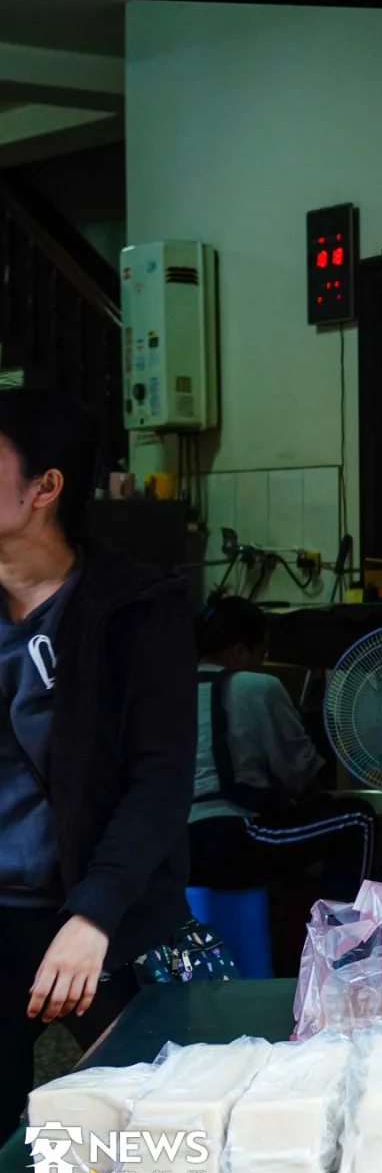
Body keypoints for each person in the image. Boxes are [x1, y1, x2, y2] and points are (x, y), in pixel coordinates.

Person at [0, 389, 195, 1123]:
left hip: (103, 916)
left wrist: (94, 916)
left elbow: (160, 779)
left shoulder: (135, 607)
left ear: (45, 487)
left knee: (150, 1137)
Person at [189, 596, 373, 902]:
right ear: (239, 651)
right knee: (358, 820)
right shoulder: (257, 686)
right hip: (231, 839)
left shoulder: (168, 696)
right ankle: (344, 943)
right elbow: (299, 778)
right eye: (261, 654)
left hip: (175, 849)